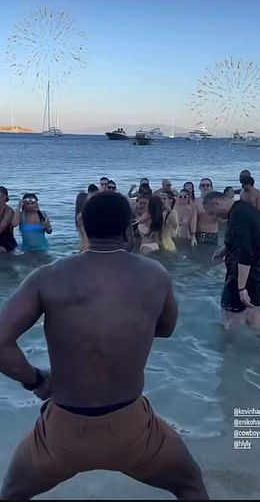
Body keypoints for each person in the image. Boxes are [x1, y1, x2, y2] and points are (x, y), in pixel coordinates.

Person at [0, 191, 208, 500]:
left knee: (11, 494)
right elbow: (165, 329)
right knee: (189, 484)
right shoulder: (155, 275)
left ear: (82, 225)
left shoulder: (46, 277)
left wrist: (36, 380)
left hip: (63, 431)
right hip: (133, 429)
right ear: (128, 228)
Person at [203, 191, 260, 335]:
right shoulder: (247, 210)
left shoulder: (237, 216)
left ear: (217, 203)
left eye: (213, 213)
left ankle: (230, 354)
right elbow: (254, 238)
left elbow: (245, 251)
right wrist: (225, 249)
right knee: (255, 317)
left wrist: (241, 288)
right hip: (258, 272)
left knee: (229, 321)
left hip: (240, 277)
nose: (216, 218)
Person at [193, 178, 219, 245]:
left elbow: (224, 218)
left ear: (211, 187)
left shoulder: (217, 201)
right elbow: (193, 220)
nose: (205, 187)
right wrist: (192, 235)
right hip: (199, 233)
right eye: (203, 185)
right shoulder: (196, 202)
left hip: (213, 233)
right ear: (200, 187)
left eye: (207, 185)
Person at [0, 186, 17, 254]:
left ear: (5, 197)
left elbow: (1, 228)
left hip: (7, 242)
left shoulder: (9, 211)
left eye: (1, 196)